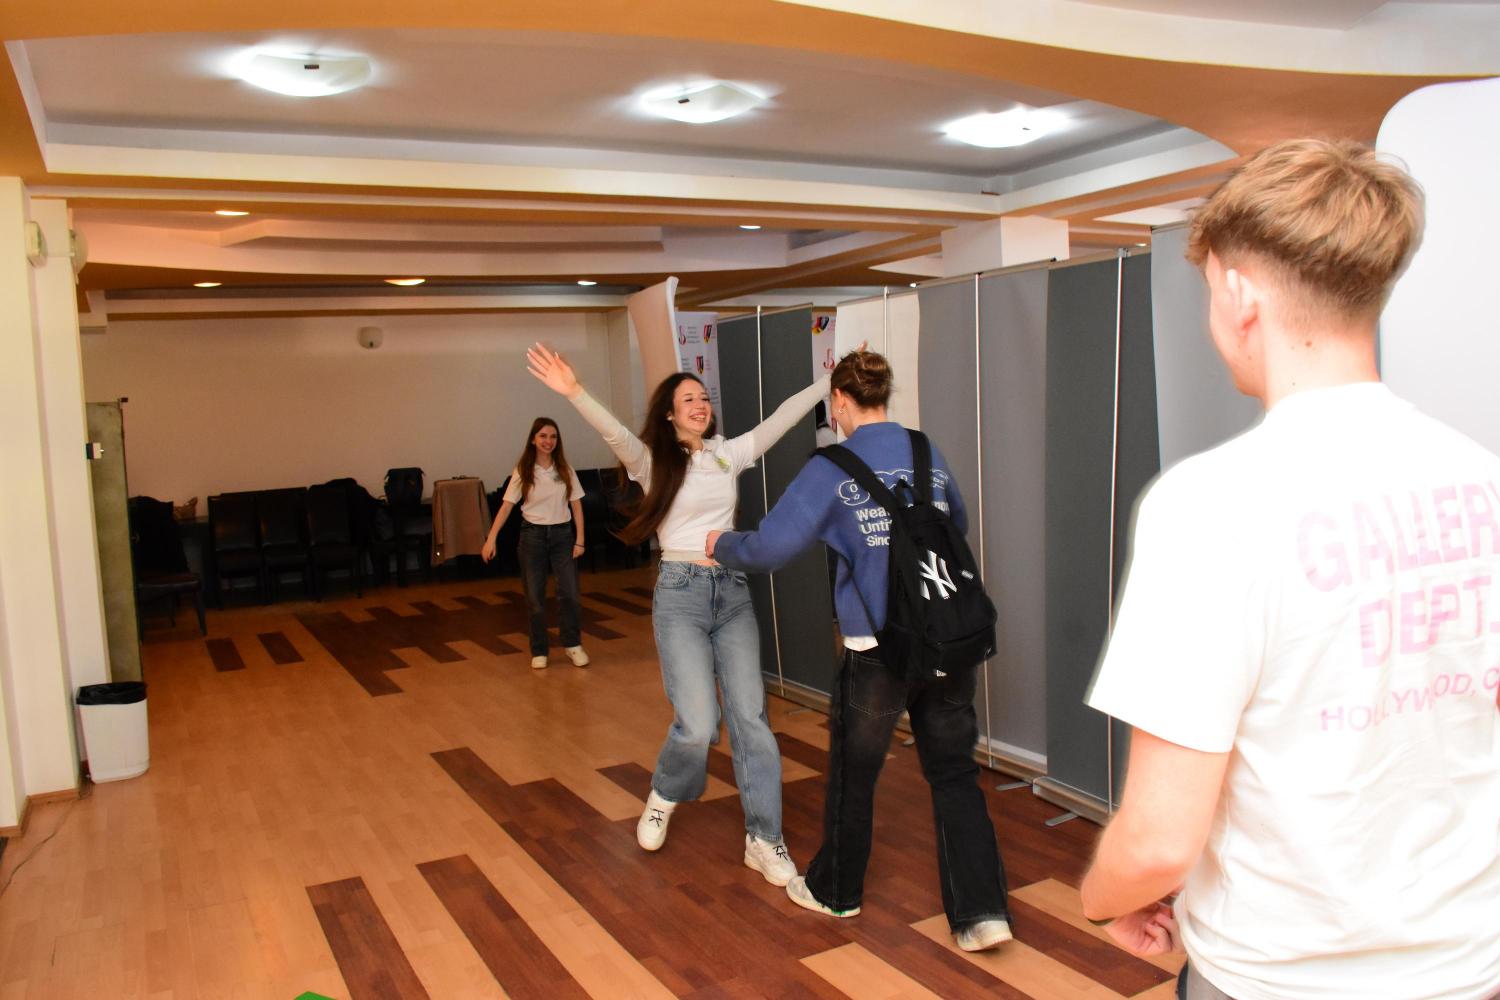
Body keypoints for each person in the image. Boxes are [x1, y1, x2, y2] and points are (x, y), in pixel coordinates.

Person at [1079, 139, 1500, 1000]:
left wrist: (1102, 899)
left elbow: (1158, 840)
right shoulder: (1483, 478)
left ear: (1239, 296)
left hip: (1280, 977)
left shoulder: (1208, 507)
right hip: (1469, 964)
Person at [707, 349, 1013, 954]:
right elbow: (957, 525)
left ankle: (835, 891)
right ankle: (982, 914)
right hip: (946, 637)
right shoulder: (925, 451)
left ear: (841, 401)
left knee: (856, 773)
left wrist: (721, 544)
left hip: (876, 649)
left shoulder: (830, 468)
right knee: (955, 773)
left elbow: (769, 548)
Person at [526, 342, 830, 886]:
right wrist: (574, 391)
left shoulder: (728, 453)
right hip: (680, 594)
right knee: (698, 724)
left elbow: (783, 418)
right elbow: (614, 433)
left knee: (752, 720)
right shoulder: (651, 460)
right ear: (669, 414)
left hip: (731, 591)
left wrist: (829, 382)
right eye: (688, 398)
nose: (700, 404)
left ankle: (764, 839)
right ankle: (666, 793)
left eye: (704, 397)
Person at [481, 417, 590, 670]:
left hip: (562, 535)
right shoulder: (523, 470)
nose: (548, 441)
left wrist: (580, 540)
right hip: (532, 537)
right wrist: (491, 538)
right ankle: (539, 650)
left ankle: (573, 644)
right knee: (535, 598)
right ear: (533, 439)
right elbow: (506, 507)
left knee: (570, 593)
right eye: (543, 436)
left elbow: (576, 505)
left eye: (553, 437)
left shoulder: (565, 469)